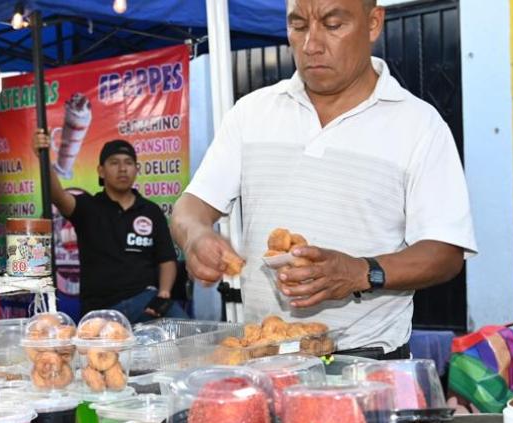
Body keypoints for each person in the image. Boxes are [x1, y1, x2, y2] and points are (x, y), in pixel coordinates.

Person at [171, 0, 476, 360]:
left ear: (373, 23)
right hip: (267, 358)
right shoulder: (251, 113)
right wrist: (195, 237)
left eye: (333, 25)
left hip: (369, 362)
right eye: (298, 26)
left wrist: (362, 272)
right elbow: (190, 207)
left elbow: (444, 252)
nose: (311, 44)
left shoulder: (419, 126)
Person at [33, 132, 189, 322]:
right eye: (114, 163)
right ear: (101, 171)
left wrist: (163, 294)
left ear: (136, 169)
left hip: (146, 303)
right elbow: (57, 196)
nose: (122, 169)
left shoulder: (151, 211)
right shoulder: (88, 207)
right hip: (100, 310)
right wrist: (43, 158)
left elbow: (166, 260)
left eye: (128, 162)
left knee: (188, 335)